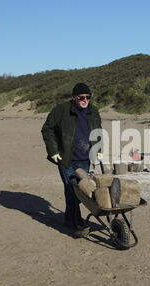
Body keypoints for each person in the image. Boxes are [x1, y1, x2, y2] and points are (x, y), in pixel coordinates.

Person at [41, 83, 102, 238]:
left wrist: (98, 150)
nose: (85, 100)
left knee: (82, 190)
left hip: (85, 159)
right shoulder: (61, 110)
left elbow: (98, 131)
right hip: (66, 158)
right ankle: (76, 222)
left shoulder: (93, 111)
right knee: (72, 189)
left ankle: (69, 216)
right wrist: (53, 151)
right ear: (74, 97)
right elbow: (47, 129)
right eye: (81, 97)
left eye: (88, 97)